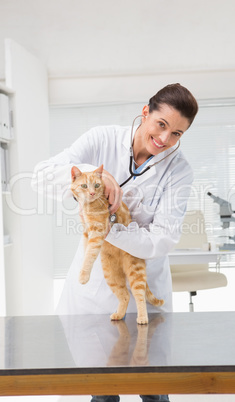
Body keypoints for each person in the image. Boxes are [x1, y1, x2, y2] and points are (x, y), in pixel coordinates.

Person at [32, 83, 198, 402]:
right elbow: (42, 176)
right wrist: (98, 177)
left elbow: (161, 239)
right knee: (103, 389)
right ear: (145, 112)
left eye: (177, 133)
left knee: (152, 389)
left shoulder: (179, 171)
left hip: (142, 291)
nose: (165, 139)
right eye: (161, 124)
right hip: (96, 292)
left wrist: (109, 229)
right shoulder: (102, 139)